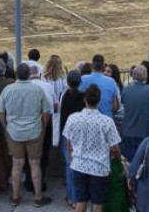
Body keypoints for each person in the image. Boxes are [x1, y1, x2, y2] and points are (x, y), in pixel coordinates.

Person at [0, 63, 51, 207]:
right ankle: (38, 197)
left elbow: (0, 111)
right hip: (34, 131)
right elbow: (46, 113)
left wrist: (5, 126)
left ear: (16, 75)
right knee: (34, 164)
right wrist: (43, 128)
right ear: (29, 75)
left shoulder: (8, 89)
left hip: (14, 132)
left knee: (17, 164)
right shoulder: (37, 89)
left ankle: (15, 197)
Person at [63, 84, 122, 212]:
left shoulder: (73, 118)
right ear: (99, 100)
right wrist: (118, 158)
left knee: (81, 201)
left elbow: (69, 143)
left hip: (79, 165)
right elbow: (115, 148)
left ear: (85, 99)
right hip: (99, 167)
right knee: (98, 204)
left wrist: (72, 160)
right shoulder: (107, 122)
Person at [120, 65, 149, 162]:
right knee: (145, 162)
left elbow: (123, 105)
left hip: (129, 132)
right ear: (146, 78)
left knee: (130, 162)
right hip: (146, 132)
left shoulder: (126, 90)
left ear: (133, 77)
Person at [60, 70, 86, 208]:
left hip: (67, 134)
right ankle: (77, 197)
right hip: (79, 135)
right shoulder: (83, 97)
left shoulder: (64, 95)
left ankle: (72, 198)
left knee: (70, 165)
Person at [80, 54, 119, 118]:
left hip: (88, 119)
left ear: (91, 65)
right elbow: (115, 106)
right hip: (107, 118)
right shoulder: (111, 81)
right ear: (103, 67)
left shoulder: (83, 79)